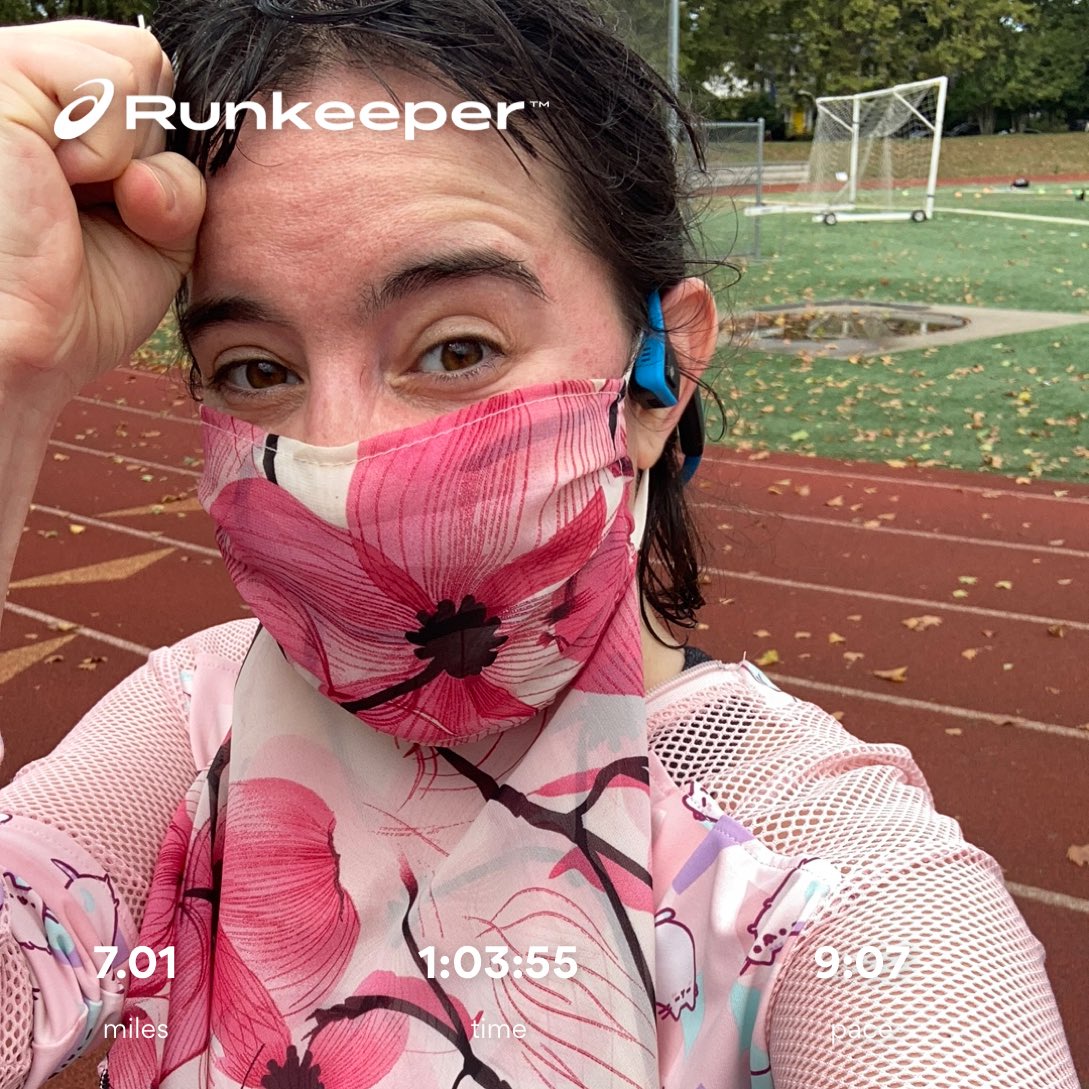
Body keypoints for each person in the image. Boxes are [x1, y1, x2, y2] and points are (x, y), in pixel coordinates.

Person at [0, 4, 1080, 1088]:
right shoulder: (193, 725)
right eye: (256, 370)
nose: (339, 461)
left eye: (456, 348)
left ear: (661, 374)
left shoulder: (828, 883)